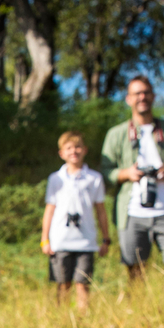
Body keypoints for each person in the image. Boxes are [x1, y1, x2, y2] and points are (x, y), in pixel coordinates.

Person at [101, 75, 164, 296]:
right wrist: (127, 173)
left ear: (153, 96)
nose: (142, 97)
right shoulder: (116, 134)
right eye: (137, 93)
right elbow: (106, 172)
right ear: (128, 99)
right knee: (135, 271)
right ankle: (138, 318)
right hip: (132, 212)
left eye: (146, 92)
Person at [40, 131, 110, 310]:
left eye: (78, 147)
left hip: (86, 242)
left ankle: (83, 320)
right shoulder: (55, 179)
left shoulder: (94, 178)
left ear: (85, 150)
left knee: (83, 284)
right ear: (61, 153)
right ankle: (62, 320)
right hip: (60, 240)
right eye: (69, 148)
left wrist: (106, 238)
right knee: (63, 284)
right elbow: (50, 209)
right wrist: (44, 238)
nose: (74, 151)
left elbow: (100, 210)